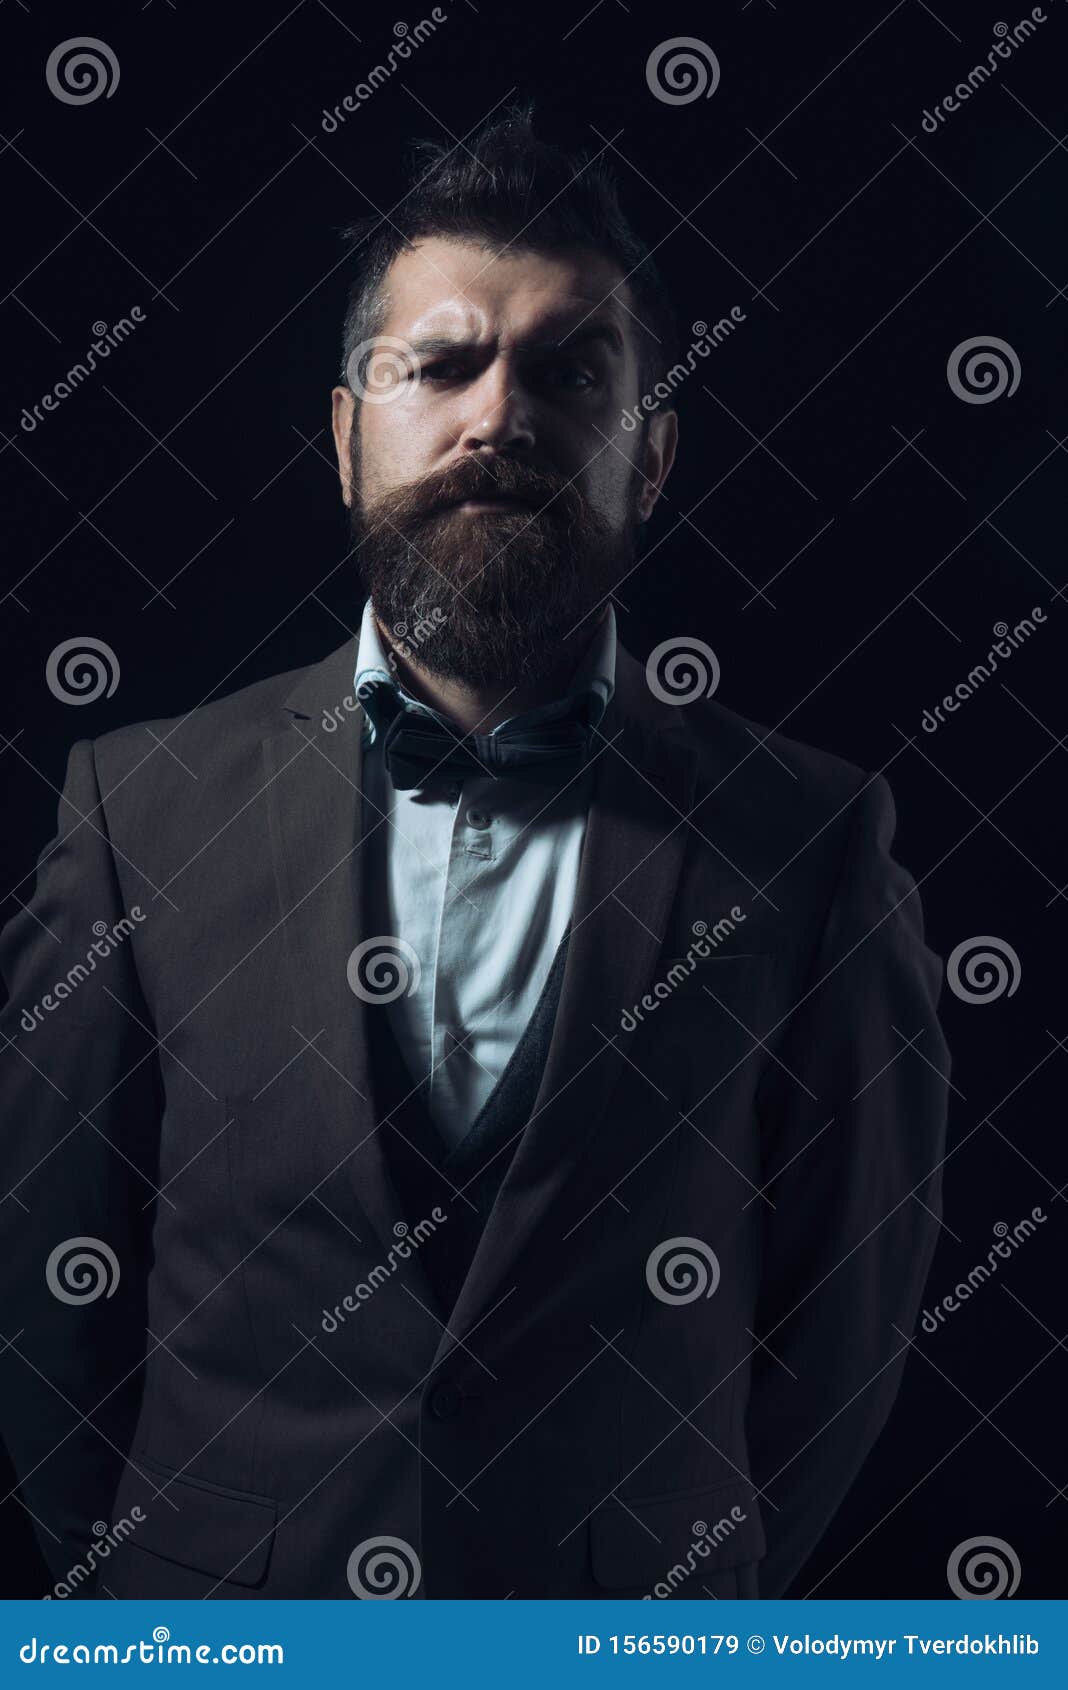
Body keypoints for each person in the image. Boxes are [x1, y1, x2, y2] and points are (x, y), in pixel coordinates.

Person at [0, 103, 950, 1600]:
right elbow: (40, 1306)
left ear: (654, 455)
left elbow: (843, 1333)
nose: (497, 418)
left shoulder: (815, 842)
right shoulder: (138, 814)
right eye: (439, 366)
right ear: (343, 433)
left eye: (570, 371)